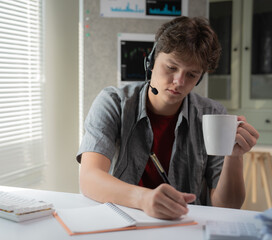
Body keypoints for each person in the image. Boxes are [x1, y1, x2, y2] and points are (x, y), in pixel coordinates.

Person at [77, 16, 260, 220]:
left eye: (191, 75)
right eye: (171, 68)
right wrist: (144, 199)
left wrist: (234, 157)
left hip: (187, 226)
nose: (179, 81)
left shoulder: (213, 114)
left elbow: (228, 207)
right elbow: (89, 178)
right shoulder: (113, 103)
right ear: (152, 61)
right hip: (125, 221)